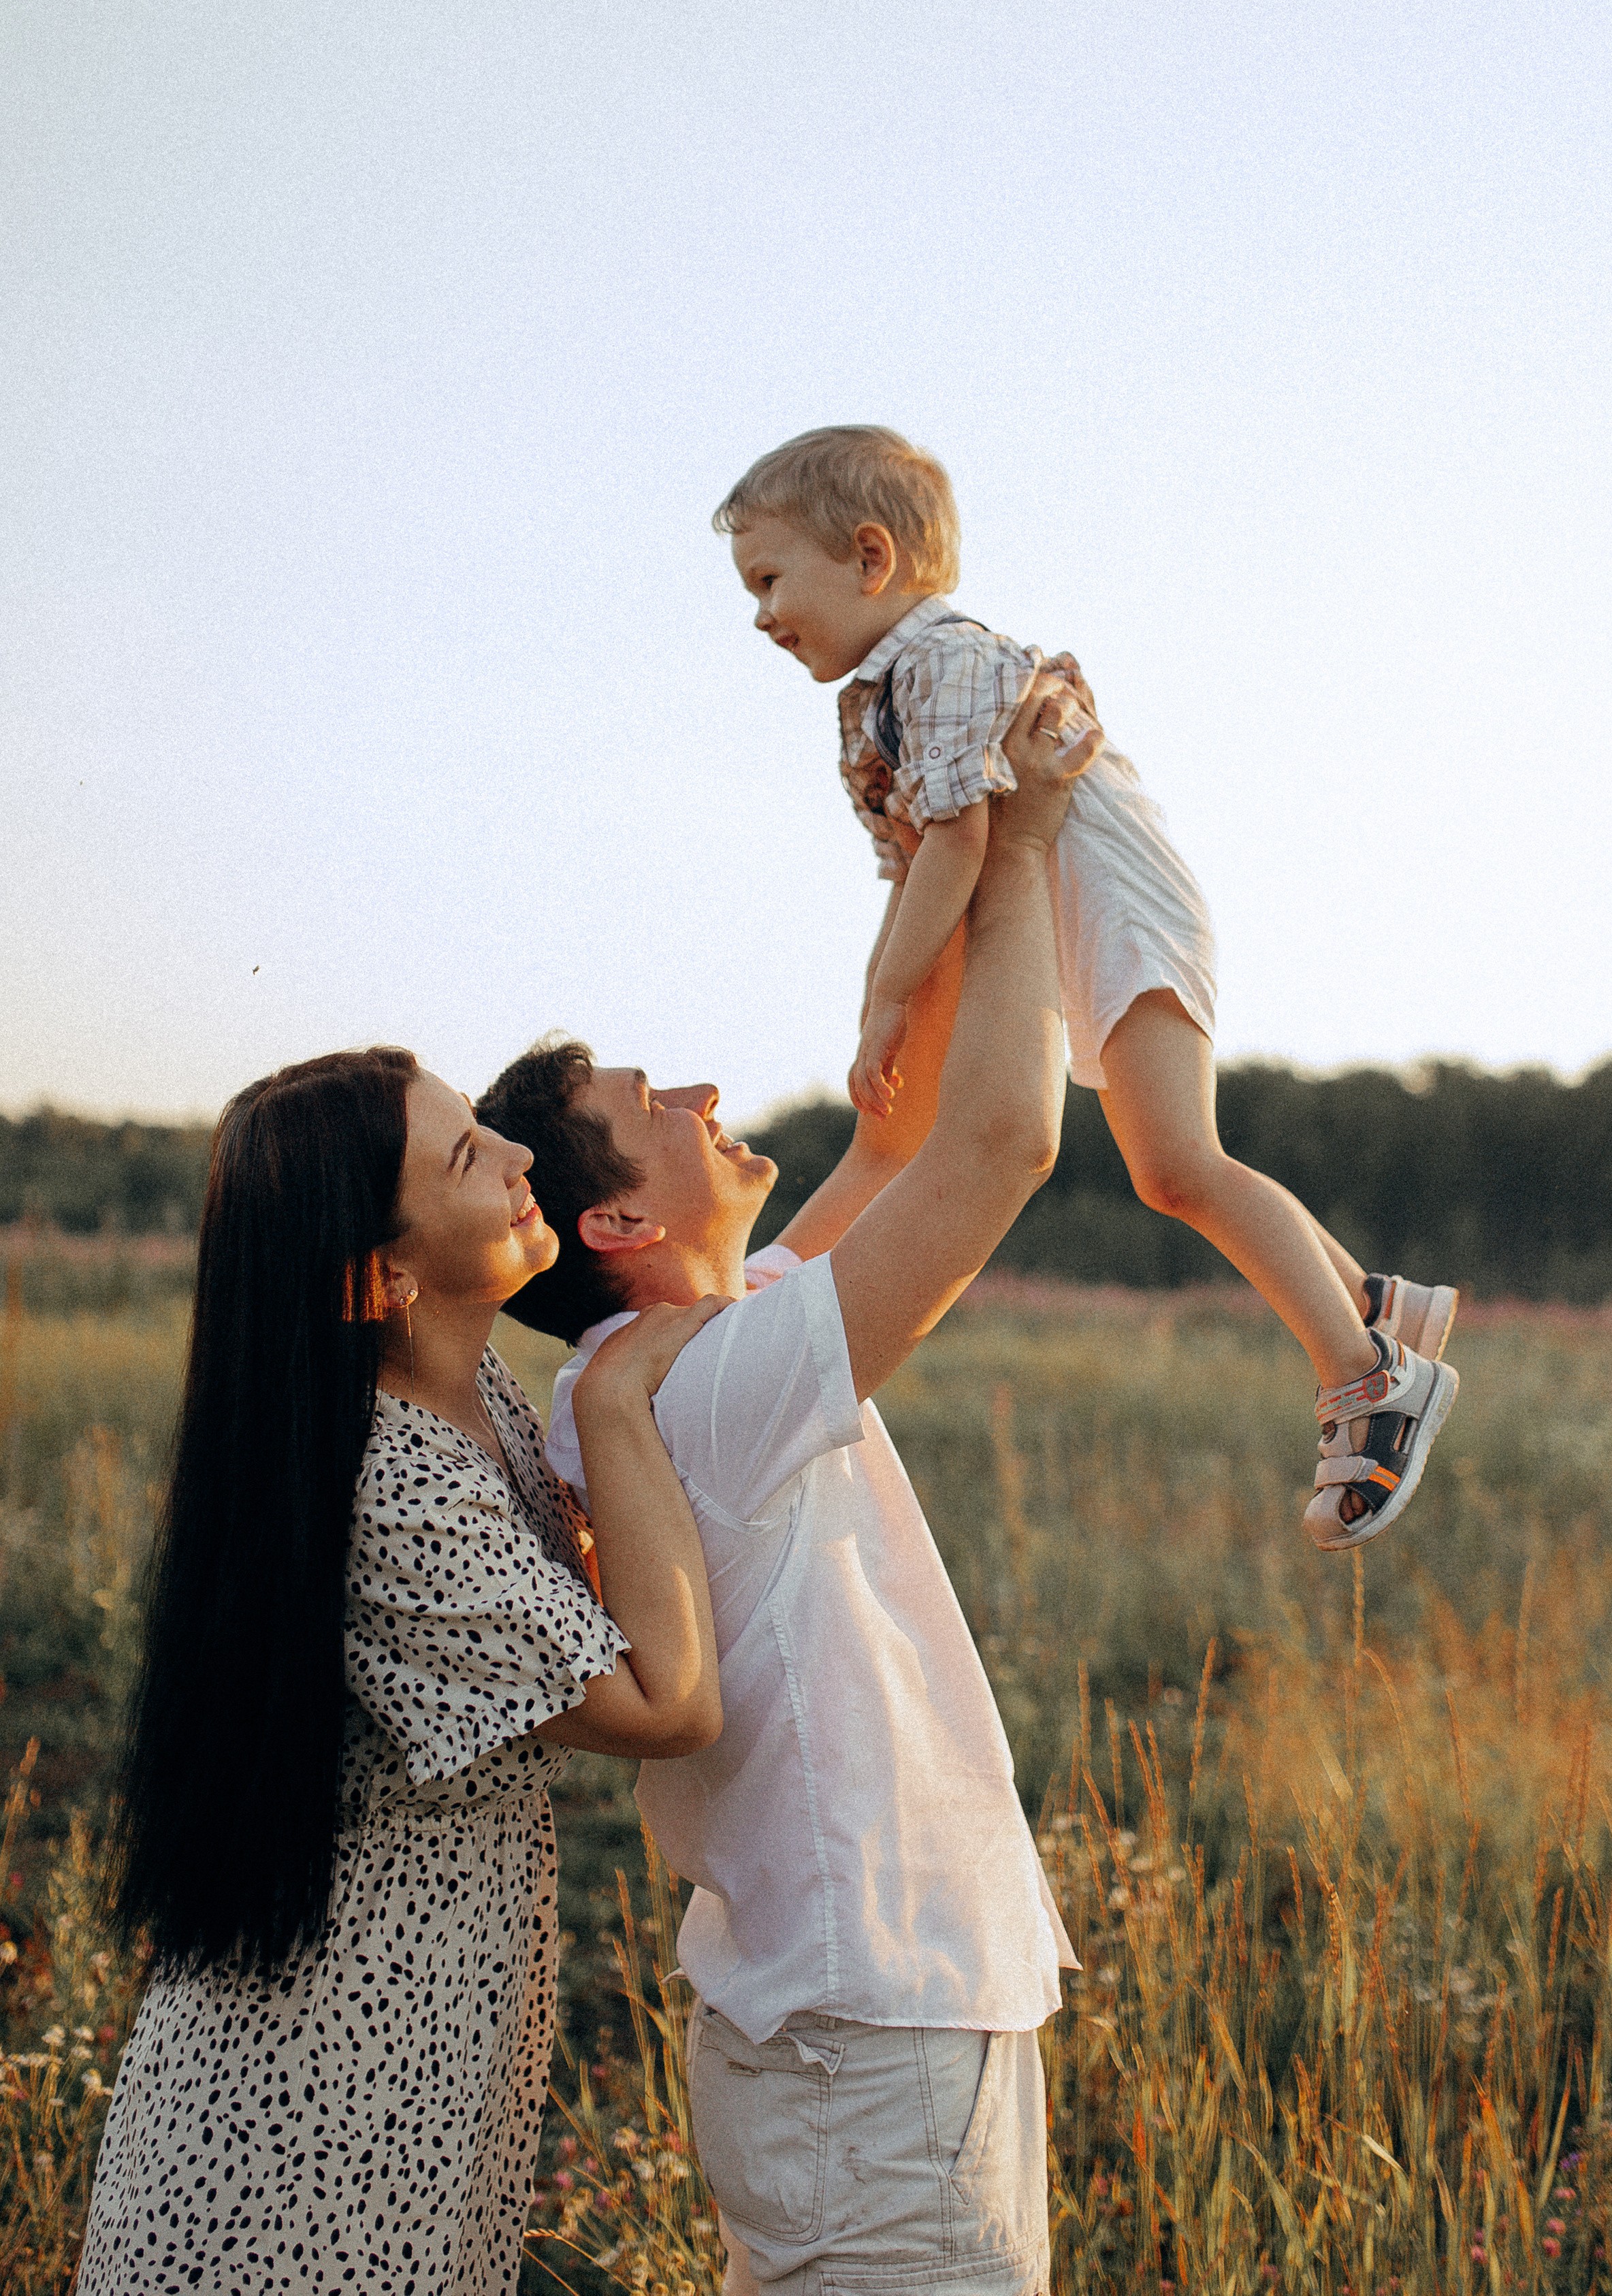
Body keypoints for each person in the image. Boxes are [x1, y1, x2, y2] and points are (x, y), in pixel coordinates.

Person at [477, 685, 1097, 2296]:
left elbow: (896, 1139)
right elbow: (999, 1147)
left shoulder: (686, 1355)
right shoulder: (699, 1383)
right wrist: (1019, 838)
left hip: (875, 2023)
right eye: (644, 1106)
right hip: (866, 2037)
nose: (693, 1092)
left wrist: (930, 868)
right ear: (610, 1228)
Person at [711, 423, 1461, 1549]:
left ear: (872, 559)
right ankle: (1368, 1300)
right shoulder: (874, 703)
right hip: (1052, 923)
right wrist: (893, 992)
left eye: (771, 579)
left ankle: (1369, 1376)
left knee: (1178, 1164)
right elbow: (918, 871)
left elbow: (958, 851)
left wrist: (884, 1002)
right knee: (1159, 1165)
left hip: (1116, 907)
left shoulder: (944, 661)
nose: (761, 613)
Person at [78, 1046, 724, 2295]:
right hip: (314, 2114)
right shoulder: (390, 1485)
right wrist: (616, 1400)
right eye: (468, 1157)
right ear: (381, 1273)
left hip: (414, 2049)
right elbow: (669, 1703)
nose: (523, 1156)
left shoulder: (463, 1386)